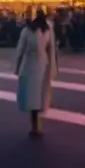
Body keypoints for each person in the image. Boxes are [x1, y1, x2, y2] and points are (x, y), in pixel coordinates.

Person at [15, 9, 58, 137]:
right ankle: (38, 126)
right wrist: (53, 67)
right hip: (43, 65)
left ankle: (35, 126)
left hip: (30, 64)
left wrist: (17, 68)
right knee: (40, 95)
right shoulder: (48, 29)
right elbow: (51, 50)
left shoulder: (27, 30)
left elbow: (20, 50)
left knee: (32, 96)